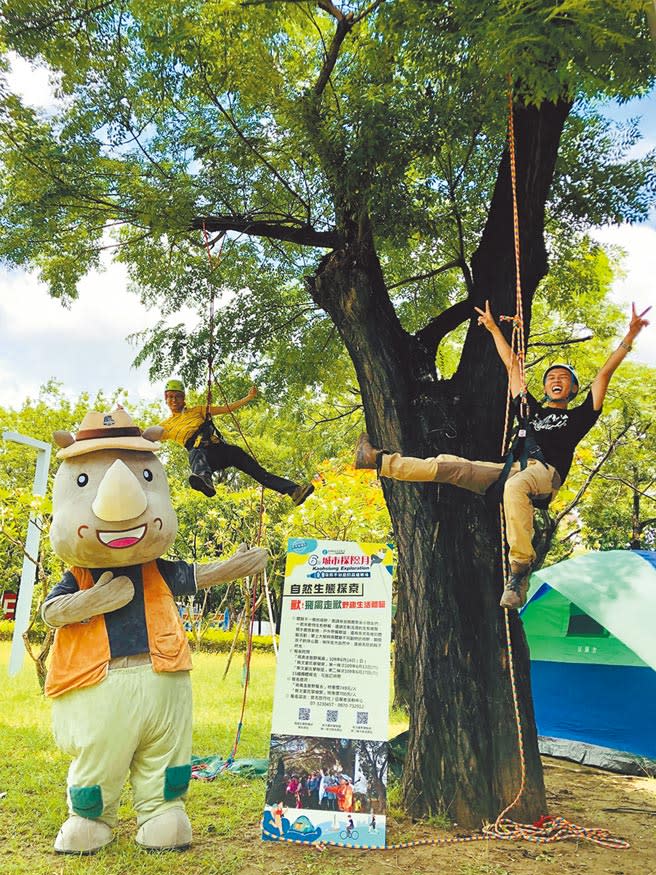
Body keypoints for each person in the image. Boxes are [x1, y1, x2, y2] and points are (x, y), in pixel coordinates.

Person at [355, 302, 650, 609]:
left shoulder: (578, 417)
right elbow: (512, 366)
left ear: (574, 389)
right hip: (512, 468)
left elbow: (603, 375)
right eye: (552, 377)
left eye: (564, 378)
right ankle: (378, 461)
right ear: (546, 386)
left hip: (544, 474)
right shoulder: (529, 410)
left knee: (516, 485)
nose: (556, 380)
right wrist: (495, 328)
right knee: (449, 465)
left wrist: (629, 338)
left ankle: (520, 570)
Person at [155, 379, 314, 505]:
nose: (174, 399)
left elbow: (227, 408)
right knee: (196, 451)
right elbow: (145, 435)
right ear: (165, 399)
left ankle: (294, 491)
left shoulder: (198, 410)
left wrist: (248, 397)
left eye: (177, 396)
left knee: (254, 468)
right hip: (203, 457)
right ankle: (204, 479)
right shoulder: (165, 426)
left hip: (219, 451)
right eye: (170, 396)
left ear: (183, 398)